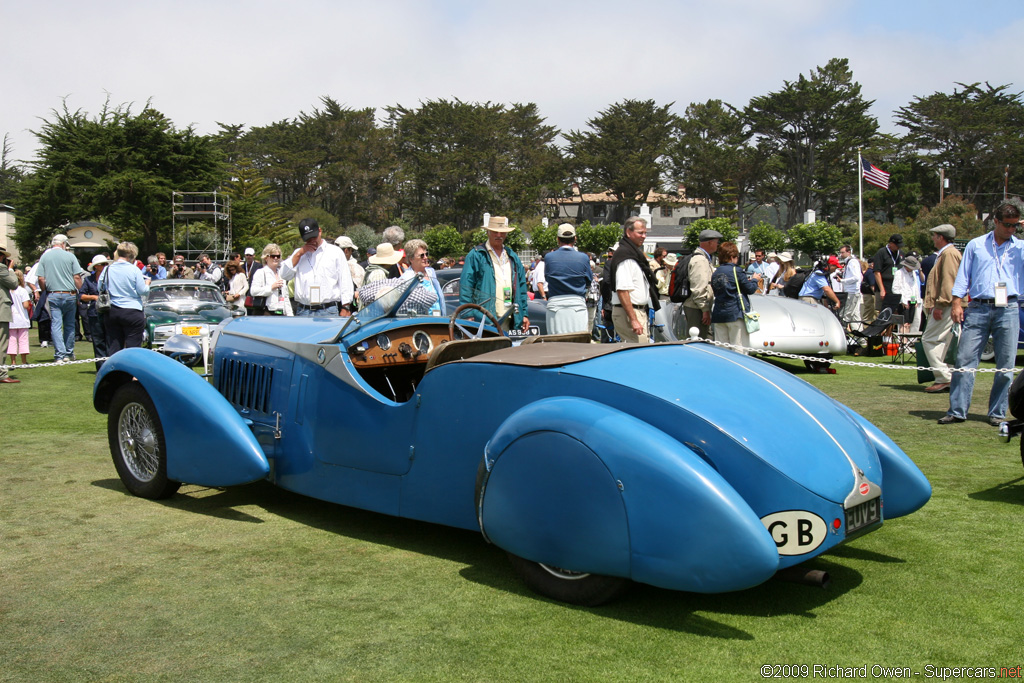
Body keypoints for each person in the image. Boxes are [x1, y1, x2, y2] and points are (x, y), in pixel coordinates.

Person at [939, 204, 1023, 425]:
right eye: (1007, 225)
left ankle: (997, 413)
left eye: (1015, 225)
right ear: (995, 221)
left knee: (1005, 365)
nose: (1011, 229)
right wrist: (957, 302)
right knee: (964, 360)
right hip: (978, 307)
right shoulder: (976, 245)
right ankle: (957, 410)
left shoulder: (1020, 247)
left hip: (1009, 308)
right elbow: (963, 276)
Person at [460, 215, 530, 333]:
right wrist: (467, 314)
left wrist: (524, 314)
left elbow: (522, 288)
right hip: (484, 318)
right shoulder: (476, 255)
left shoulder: (512, 256)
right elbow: (466, 285)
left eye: (502, 232)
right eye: (495, 232)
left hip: (509, 316)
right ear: (488, 232)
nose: (499, 235)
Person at [280, 218, 354, 318]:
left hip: (328, 310)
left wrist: (346, 307)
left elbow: (345, 280)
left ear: (320, 231)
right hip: (303, 310)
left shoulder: (335, 252)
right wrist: (299, 254)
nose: (312, 241)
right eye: (308, 239)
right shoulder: (298, 254)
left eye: (313, 237)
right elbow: (284, 275)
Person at [921, 224, 962, 394]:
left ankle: (944, 377)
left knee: (929, 339)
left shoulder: (949, 254)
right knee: (944, 342)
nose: (933, 239)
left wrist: (940, 304)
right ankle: (947, 376)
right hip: (947, 304)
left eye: (935, 235)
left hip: (945, 305)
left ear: (941, 237)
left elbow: (949, 281)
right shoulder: (947, 253)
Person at [608, 217, 660, 344]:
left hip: (636, 311)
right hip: (630, 313)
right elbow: (622, 291)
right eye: (640, 232)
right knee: (639, 353)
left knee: (639, 352)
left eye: (645, 233)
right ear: (628, 232)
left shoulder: (633, 255)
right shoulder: (625, 256)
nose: (644, 236)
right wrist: (633, 319)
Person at [36, 233, 86, 363]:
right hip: (69, 294)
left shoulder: (45, 256)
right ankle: (68, 353)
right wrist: (80, 291)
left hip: (53, 293)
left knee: (56, 325)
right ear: (63, 244)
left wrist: (44, 290)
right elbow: (77, 277)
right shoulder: (70, 256)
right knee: (69, 325)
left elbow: (41, 278)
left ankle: (59, 354)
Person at [543, 224, 593, 334]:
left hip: (555, 304)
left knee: (555, 343)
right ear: (575, 239)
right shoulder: (583, 257)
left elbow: (547, 277)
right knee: (579, 344)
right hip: (577, 304)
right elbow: (589, 281)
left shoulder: (549, 257)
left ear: (558, 239)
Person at [101, 242, 150, 355]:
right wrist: (147, 284)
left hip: (112, 310)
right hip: (132, 310)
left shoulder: (107, 269)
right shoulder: (134, 270)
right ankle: (132, 371)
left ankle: (115, 371)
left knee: (114, 346)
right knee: (133, 347)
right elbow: (142, 291)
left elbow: (101, 287)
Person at [711, 241, 760, 354]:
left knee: (722, 350)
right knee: (739, 348)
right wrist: (754, 279)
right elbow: (750, 289)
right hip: (735, 313)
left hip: (719, 313)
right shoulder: (736, 270)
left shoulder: (716, 272)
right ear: (732, 257)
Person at [679, 229, 721, 339]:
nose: (718, 245)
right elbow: (698, 287)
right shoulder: (700, 261)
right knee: (698, 341)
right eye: (717, 242)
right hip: (696, 308)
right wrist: (705, 310)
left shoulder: (703, 258)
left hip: (698, 306)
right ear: (709, 242)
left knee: (703, 339)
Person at [78, 255, 111, 369]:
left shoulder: (110, 278)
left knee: (110, 341)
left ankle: (110, 367)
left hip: (109, 312)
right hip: (94, 313)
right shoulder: (88, 280)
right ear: (96, 266)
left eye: (106, 264)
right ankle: (100, 368)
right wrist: (93, 297)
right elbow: (81, 296)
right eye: (103, 264)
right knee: (98, 342)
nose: (105, 266)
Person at [401, 238, 445, 316]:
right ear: (411, 259)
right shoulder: (407, 278)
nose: (425, 257)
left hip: (438, 320)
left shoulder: (431, 272)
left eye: (426, 254)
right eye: (422, 255)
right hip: (422, 322)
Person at [249, 244, 293, 316]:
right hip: (265, 312)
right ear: (266, 258)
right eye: (273, 256)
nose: (276, 258)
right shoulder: (260, 272)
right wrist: (271, 287)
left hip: (281, 312)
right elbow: (253, 291)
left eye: (278, 256)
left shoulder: (281, 274)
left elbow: (286, 296)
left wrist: (290, 314)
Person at [1, 247, 20, 382]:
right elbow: (14, 284)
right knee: (2, 343)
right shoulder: (2, 268)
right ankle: (1, 374)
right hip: (1, 309)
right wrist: (11, 270)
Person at [873, 234, 904, 313]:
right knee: (884, 312)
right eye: (897, 245)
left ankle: (895, 326)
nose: (898, 247)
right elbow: (877, 272)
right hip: (885, 286)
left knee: (896, 311)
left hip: (897, 287)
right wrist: (882, 289)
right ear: (891, 243)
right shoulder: (881, 252)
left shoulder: (901, 253)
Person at [6, 268, 31, 368]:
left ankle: (13, 362)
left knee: (12, 340)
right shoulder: (22, 290)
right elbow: (25, 305)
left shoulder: (8, 291)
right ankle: (24, 361)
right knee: (23, 340)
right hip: (22, 319)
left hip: (11, 319)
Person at [892, 255, 922, 332]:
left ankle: (911, 340)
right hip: (904, 301)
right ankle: (903, 341)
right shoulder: (899, 273)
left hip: (913, 300)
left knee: (913, 321)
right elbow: (895, 288)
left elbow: (915, 287)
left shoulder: (913, 274)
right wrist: (903, 301)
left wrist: (917, 300)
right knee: (904, 323)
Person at [838, 245, 863, 330]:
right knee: (855, 316)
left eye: (842, 252)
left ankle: (844, 333)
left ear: (848, 252)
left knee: (845, 315)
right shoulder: (849, 262)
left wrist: (842, 280)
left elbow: (856, 277)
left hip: (852, 292)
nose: (841, 254)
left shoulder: (852, 262)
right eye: (840, 252)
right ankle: (861, 337)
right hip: (852, 291)